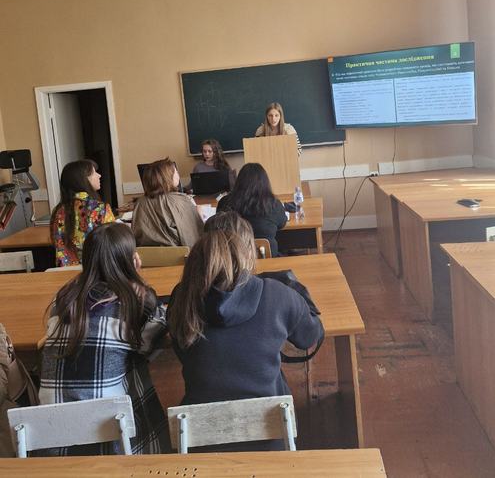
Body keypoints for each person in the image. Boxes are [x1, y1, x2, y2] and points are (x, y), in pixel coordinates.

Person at [167, 211, 323, 433]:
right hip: (271, 434)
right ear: (248, 251)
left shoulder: (181, 297)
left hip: (199, 435)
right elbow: (309, 337)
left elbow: (181, 350)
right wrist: (300, 298)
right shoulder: (278, 294)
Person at [39, 222, 169, 455]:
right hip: (111, 439)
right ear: (130, 260)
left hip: (56, 438)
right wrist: (139, 282)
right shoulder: (136, 300)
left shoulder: (64, 297)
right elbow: (150, 344)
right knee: (137, 369)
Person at [50, 159, 115, 267]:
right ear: (84, 179)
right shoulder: (100, 208)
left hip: (64, 272)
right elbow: (114, 242)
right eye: (94, 173)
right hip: (96, 270)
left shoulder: (58, 211)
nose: (99, 175)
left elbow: (56, 242)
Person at [217, 162, 286, 256]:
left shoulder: (225, 202)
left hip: (234, 258)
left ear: (239, 181)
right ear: (265, 183)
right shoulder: (274, 204)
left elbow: (218, 226)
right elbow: (282, 224)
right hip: (267, 257)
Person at [132, 158, 203, 248]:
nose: (178, 174)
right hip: (179, 254)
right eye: (176, 172)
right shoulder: (181, 200)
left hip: (146, 255)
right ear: (168, 177)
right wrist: (198, 216)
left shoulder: (140, 202)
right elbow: (192, 237)